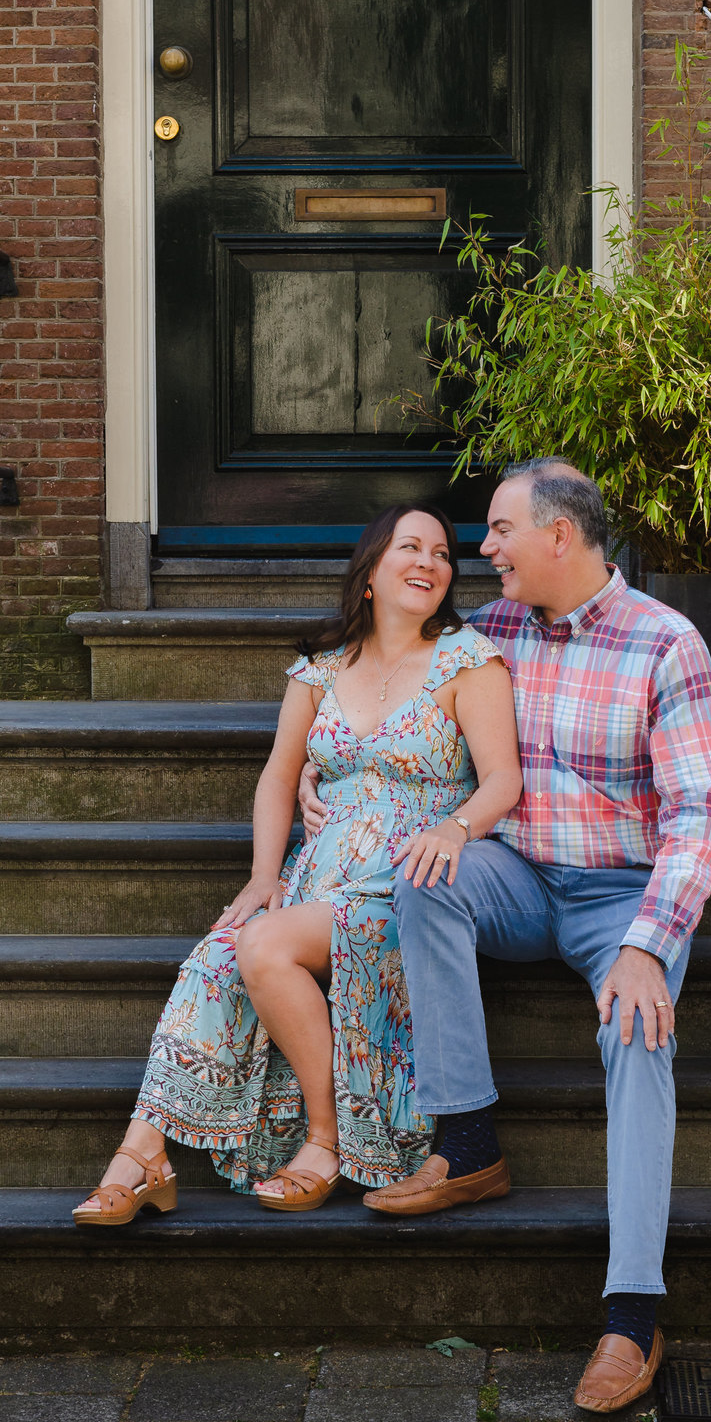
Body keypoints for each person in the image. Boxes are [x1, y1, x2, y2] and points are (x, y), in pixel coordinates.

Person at [300, 459, 711, 1413]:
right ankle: (468, 1142)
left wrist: (647, 947)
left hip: (623, 896)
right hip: (519, 877)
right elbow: (377, 673)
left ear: (560, 538)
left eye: (498, 532)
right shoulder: (486, 634)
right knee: (424, 875)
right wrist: (323, 778)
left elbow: (702, 815)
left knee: (637, 1032)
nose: (481, 551)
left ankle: (632, 1314)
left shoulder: (668, 644)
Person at [73, 503, 522, 1225]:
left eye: (443, 553)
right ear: (371, 571)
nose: (430, 562)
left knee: (264, 943)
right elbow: (280, 777)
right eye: (411, 547)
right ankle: (141, 1155)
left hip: (404, 891)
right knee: (218, 957)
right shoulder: (320, 668)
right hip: (318, 882)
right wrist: (262, 876)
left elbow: (504, 779)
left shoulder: (468, 660)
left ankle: (325, 1139)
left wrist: (455, 828)